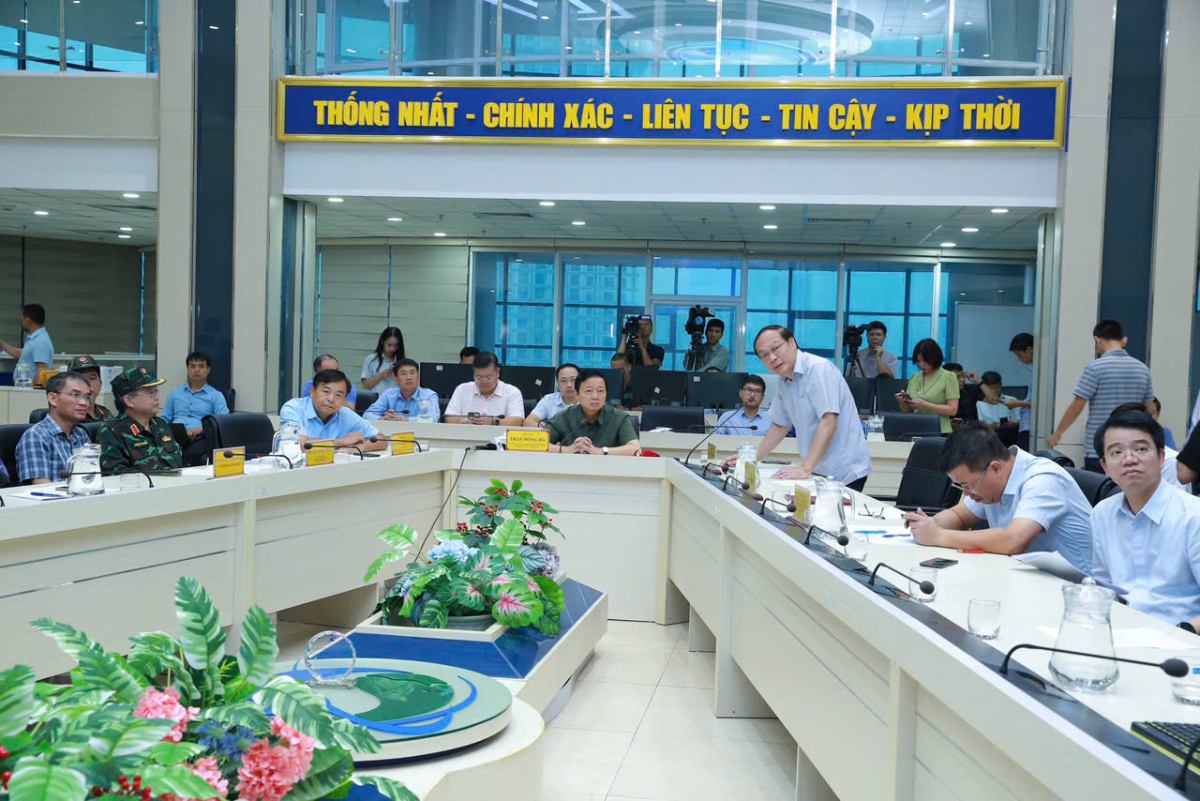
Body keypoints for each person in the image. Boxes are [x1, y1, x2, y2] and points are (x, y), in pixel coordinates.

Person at [902, 422, 1093, 572]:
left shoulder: (1043, 480)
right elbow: (960, 516)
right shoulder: (992, 482)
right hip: (1028, 576)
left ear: (994, 468)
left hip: (1078, 590)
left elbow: (1013, 541)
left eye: (968, 485)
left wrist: (939, 536)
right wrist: (928, 524)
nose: (967, 494)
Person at [1091, 407, 1200, 628]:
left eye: (1141, 449)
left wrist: (1184, 631)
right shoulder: (1102, 513)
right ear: (1105, 466)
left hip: (1181, 640)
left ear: (1161, 457)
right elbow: (1105, 587)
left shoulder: (1192, 515)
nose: (1129, 459)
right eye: (1116, 452)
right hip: (1123, 632)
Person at [732, 325, 870, 488]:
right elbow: (780, 425)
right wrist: (751, 458)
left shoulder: (818, 368)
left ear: (792, 343)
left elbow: (829, 421)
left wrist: (805, 468)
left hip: (844, 471)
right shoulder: (784, 380)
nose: (772, 357)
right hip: (818, 470)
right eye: (764, 355)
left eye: (776, 348)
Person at [1046, 319, 1154, 472]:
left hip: (1100, 445)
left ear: (1098, 339)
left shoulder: (1095, 368)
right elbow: (1150, 408)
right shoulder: (1142, 369)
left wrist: (1058, 433)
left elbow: (1078, 405)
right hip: (1132, 445)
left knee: (1100, 492)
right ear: (1123, 340)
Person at [98, 367, 184, 473]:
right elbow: (115, 475)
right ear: (129, 401)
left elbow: (179, 463)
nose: (156, 397)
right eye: (150, 393)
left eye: (155, 391)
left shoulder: (160, 424)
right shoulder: (112, 431)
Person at [279, 368, 384, 452]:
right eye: (326, 391)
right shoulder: (293, 408)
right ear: (312, 391)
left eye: (338, 395)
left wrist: (358, 448)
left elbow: (382, 439)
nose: (331, 399)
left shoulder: (345, 414)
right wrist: (342, 442)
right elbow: (297, 446)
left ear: (344, 399)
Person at [16, 371, 93, 484]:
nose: (84, 403)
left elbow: (91, 478)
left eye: (87, 397)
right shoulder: (36, 436)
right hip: (55, 500)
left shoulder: (81, 434)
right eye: (75, 395)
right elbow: (41, 487)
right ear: (53, 399)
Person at [545, 370, 641, 455]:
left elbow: (635, 448)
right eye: (589, 391)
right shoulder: (564, 417)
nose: (595, 396)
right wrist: (569, 450)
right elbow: (537, 445)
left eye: (600, 391)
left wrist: (601, 451)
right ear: (577, 395)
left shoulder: (619, 418)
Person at [162, 351, 230, 450]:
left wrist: (202, 429)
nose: (196, 370)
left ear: (208, 370)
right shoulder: (175, 393)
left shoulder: (216, 396)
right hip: (173, 437)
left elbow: (223, 422)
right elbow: (164, 418)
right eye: (193, 366)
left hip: (200, 438)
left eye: (201, 366)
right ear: (188, 369)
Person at [443, 351, 524, 426]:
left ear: (498, 372)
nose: (484, 381)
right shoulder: (462, 390)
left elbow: (517, 421)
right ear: (473, 373)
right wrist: (466, 420)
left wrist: (492, 421)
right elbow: (449, 418)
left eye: (488, 377)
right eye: (479, 377)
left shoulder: (512, 392)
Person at [897, 339, 959, 434]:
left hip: (940, 430)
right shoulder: (915, 377)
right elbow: (907, 411)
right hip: (915, 428)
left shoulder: (948, 376)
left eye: (925, 361)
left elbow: (953, 410)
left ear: (934, 358)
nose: (921, 364)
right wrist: (903, 402)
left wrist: (926, 405)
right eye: (918, 361)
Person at [362, 359, 440, 421]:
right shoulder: (389, 394)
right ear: (396, 379)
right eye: (403, 373)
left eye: (412, 373)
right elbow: (366, 415)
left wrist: (405, 420)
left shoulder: (429, 396)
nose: (408, 377)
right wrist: (382, 419)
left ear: (418, 377)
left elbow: (432, 419)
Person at [0, 303, 55, 377]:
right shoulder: (35, 338)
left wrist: (28, 386)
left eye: (22, 318)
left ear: (27, 320)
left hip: (28, 387)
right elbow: (23, 354)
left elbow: (41, 374)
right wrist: (2, 344)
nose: (21, 322)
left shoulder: (39, 342)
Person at [1007, 333, 1035, 451]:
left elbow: (1039, 403)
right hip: (1026, 424)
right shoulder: (1033, 369)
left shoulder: (1040, 371)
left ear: (1029, 349)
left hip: (1030, 425)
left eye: (1020, 355)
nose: (1019, 359)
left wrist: (1018, 403)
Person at [67, 355, 113, 421]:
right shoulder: (67, 417)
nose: (87, 384)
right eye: (80, 378)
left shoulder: (105, 413)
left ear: (100, 384)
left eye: (92, 378)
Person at [361, 326, 405, 394]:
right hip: (376, 401)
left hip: (396, 401)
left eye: (395, 346)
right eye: (389, 345)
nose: (392, 349)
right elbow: (365, 385)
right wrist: (381, 375)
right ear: (382, 342)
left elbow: (407, 387)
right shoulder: (370, 359)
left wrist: (397, 377)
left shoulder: (403, 362)